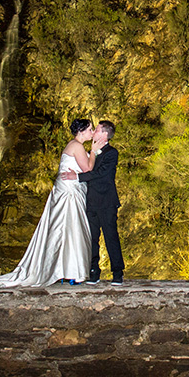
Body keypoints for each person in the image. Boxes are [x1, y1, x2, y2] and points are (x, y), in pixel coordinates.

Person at [0, 119, 94, 287]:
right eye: (90, 129)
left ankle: (67, 270)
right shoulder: (77, 146)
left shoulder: (73, 145)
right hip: (69, 192)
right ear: (81, 131)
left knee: (66, 228)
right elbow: (87, 169)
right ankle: (71, 271)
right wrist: (94, 150)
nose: (92, 132)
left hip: (69, 189)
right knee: (70, 227)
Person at [63, 119, 123, 285]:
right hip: (90, 201)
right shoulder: (92, 152)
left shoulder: (112, 153)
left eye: (96, 129)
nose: (94, 132)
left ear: (104, 134)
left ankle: (117, 273)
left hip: (107, 201)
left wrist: (77, 177)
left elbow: (102, 173)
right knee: (91, 238)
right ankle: (93, 272)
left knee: (111, 237)